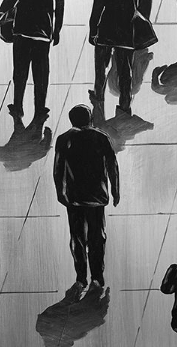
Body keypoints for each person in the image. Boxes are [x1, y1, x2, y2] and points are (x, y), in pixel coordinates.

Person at [0, 0, 64, 120]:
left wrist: (1, 12)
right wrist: (57, 30)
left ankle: (18, 105)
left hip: (23, 30)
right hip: (43, 32)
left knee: (20, 70)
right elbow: (60, 7)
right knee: (41, 72)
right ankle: (40, 107)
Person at [53, 104, 119, 292]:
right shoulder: (101, 137)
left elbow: (58, 169)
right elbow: (112, 165)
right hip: (97, 196)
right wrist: (115, 189)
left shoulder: (64, 139)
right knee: (97, 237)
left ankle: (81, 277)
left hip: (74, 197)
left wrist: (61, 192)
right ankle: (97, 276)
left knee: (77, 237)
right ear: (89, 119)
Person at [89, 0, 136, 114]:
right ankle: (125, 101)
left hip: (106, 31)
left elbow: (97, 11)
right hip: (125, 33)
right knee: (125, 70)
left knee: (101, 66)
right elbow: (132, 9)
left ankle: (99, 94)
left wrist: (92, 31)